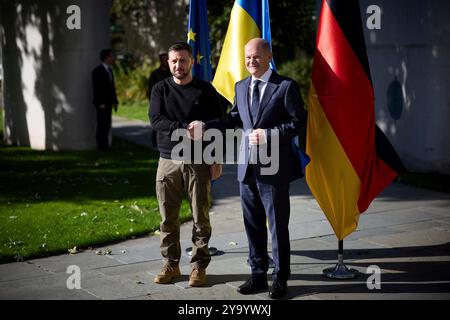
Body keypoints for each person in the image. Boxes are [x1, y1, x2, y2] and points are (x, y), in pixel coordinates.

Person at [189, 38, 307, 299]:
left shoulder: (286, 87)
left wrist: (270, 135)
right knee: (252, 225)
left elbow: (299, 122)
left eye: (256, 57)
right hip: (247, 169)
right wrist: (205, 125)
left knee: (277, 226)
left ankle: (280, 278)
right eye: (247, 58)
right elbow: (233, 119)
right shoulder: (241, 86)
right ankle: (257, 275)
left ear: (268, 57)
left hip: (275, 170)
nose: (251, 62)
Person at [150, 42, 224, 287]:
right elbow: (156, 120)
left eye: (182, 60)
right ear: (168, 62)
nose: (178, 65)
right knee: (167, 218)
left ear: (191, 61)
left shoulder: (205, 89)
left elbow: (218, 123)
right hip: (168, 160)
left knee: (200, 217)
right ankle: (171, 264)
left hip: (198, 162)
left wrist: (216, 158)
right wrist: (183, 129)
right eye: (174, 61)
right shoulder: (160, 89)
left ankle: (198, 267)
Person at [91, 49, 118, 150]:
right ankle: (101, 146)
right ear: (106, 57)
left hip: (109, 103)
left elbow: (112, 87)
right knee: (102, 124)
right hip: (101, 103)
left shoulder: (109, 70)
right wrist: (101, 103)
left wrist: (115, 101)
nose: (113, 58)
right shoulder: (97, 71)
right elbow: (97, 88)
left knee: (107, 124)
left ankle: (105, 146)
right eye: (111, 56)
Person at [147, 53, 172, 149]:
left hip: (170, 102)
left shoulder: (171, 73)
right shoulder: (155, 74)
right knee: (157, 122)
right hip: (159, 102)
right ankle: (155, 143)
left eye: (167, 59)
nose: (165, 61)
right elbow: (150, 89)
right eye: (163, 59)